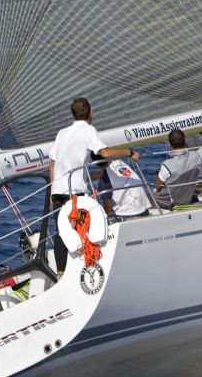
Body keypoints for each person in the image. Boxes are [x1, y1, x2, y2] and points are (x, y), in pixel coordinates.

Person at [49, 98, 140, 277]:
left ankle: (61, 273)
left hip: (57, 191)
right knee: (82, 230)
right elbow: (104, 152)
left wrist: (53, 187)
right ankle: (83, 272)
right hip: (74, 191)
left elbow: (52, 162)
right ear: (90, 113)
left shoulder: (62, 132)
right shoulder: (88, 130)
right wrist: (129, 152)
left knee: (62, 232)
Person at [153, 129, 202, 209]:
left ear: (169, 144)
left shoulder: (167, 165)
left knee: (152, 196)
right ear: (185, 141)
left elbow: (157, 187)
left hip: (174, 202)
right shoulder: (196, 156)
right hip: (189, 197)